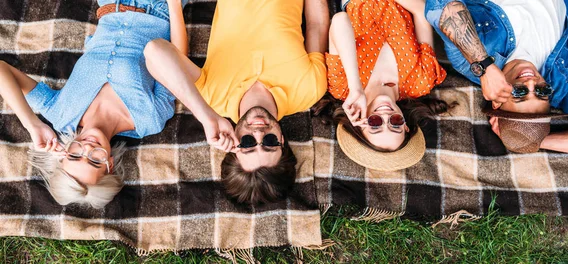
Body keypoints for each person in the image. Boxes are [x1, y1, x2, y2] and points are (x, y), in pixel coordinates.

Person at [0, 0, 188, 208]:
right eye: (94, 160)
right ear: (109, 164)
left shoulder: (60, 114)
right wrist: (174, 4)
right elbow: (177, 62)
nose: (87, 148)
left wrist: (32, 124)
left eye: (75, 156)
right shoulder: (149, 119)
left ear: (64, 154)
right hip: (160, 7)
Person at [143, 0, 329, 204]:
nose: (258, 133)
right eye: (269, 143)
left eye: (248, 143)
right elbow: (316, 24)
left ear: (235, 144)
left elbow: (154, 50)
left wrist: (206, 117)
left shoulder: (212, 99)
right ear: (282, 142)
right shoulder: (310, 89)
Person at [425, 0, 568, 155]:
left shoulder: (469, 60)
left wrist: (483, 63)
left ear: (497, 102)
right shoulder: (560, 83)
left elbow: (439, 6)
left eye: (520, 92)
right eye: (542, 91)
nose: (532, 82)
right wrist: (531, 141)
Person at [313, 0, 448, 171]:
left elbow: (340, 20)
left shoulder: (343, 87)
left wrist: (356, 88)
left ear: (360, 125)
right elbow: (421, 12)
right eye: (395, 123)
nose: (386, 116)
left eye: (375, 123)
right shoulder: (420, 82)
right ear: (405, 125)